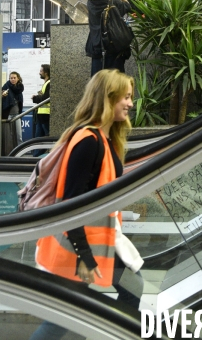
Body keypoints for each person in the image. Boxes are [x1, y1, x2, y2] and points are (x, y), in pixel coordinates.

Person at [28, 69, 143, 340]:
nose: (130, 103)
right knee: (60, 320)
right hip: (77, 249)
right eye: (125, 97)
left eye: (130, 97)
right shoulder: (88, 142)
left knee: (132, 296)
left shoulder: (103, 139)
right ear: (107, 98)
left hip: (95, 245)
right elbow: (70, 204)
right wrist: (85, 257)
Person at [85, 0, 132, 76]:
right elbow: (128, 6)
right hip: (112, 47)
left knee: (99, 82)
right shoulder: (112, 2)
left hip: (96, 47)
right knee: (115, 83)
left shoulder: (90, 3)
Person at [2, 71, 24, 144]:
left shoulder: (20, 88)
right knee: (8, 136)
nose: (13, 79)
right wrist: (2, 95)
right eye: (11, 78)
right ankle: (10, 152)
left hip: (17, 114)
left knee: (19, 135)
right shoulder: (6, 86)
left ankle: (20, 152)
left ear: (18, 78)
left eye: (14, 78)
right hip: (8, 115)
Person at [32, 64, 50, 138]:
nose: (39, 73)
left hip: (46, 115)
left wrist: (35, 98)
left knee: (46, 138)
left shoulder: (49, 83)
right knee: (38, 139)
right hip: (41, 115)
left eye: (41, 71)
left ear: (46, 72)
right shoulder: (46, 83)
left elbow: (46, 97)